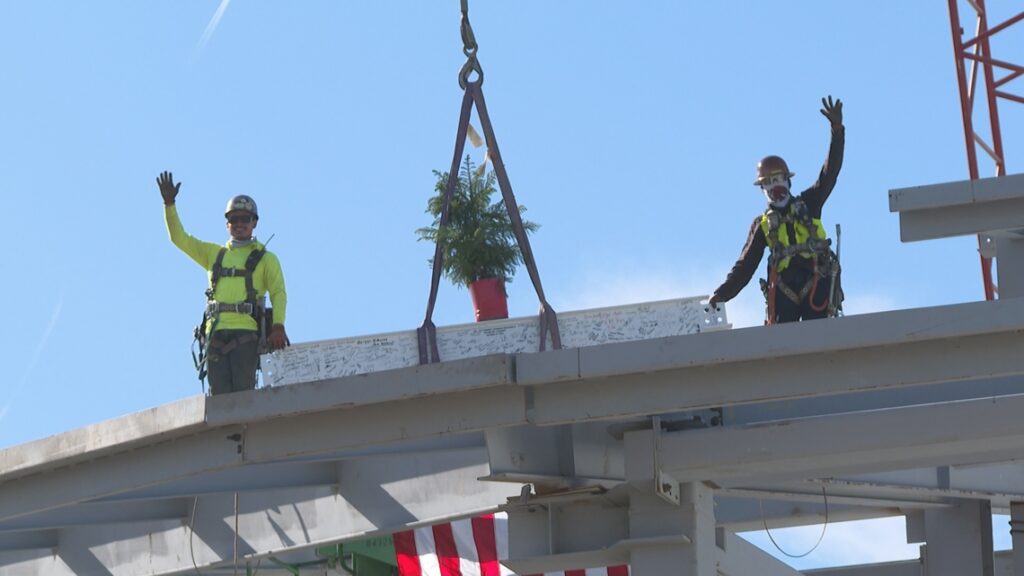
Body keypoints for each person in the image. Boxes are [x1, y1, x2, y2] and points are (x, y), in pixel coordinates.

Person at [709, 96, 845, 324]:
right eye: (769, 183)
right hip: (784, 289)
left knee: (818, 331)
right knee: (783, 337)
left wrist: (837, 131)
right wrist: (722, 295)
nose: (775, 188)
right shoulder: (762, 225)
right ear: (762, 189)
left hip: (816, 281)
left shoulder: (809, 203)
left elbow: (830, 172)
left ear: (788, 181)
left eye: (778, 180)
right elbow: (745, 266)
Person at [158, 171, 290, 394]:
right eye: (233, 219)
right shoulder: (213, 254)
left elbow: (278, 293)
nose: (239, 224)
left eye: (244, 219)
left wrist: (278, 326)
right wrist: (169, 205)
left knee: (243, 397)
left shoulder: (267, 259)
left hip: (246, 333)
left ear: (254, 222)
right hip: (216, 334)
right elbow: (179, 238)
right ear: (227, 224)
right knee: (219, 400)